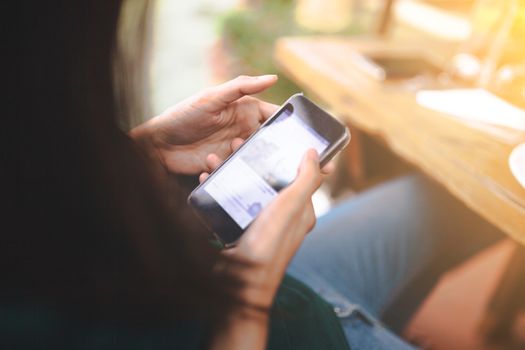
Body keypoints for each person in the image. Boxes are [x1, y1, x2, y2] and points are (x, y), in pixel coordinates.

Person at [6, 1, 501, 349]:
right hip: (265, 311)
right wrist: (252, 293)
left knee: (447, 199)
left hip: (289, 289)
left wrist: (149, 149)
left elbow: (41, 196)